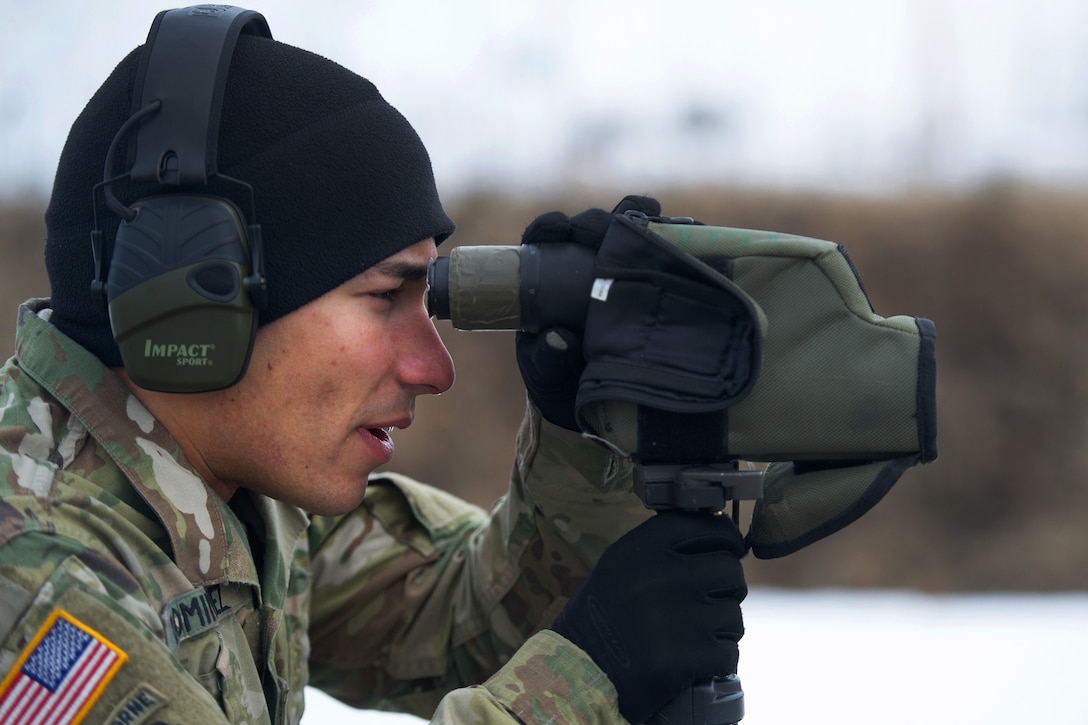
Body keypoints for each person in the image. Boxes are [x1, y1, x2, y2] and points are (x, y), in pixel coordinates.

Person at [0, 7, 747, 724]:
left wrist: (578, 429)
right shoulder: (30, 583)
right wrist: (578, 692)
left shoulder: (235, 495)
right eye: (386, 295)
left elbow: (464, 624)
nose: (435, 368)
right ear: (193, 300)